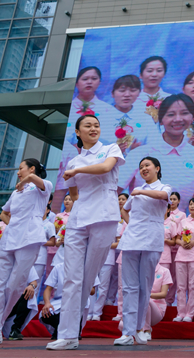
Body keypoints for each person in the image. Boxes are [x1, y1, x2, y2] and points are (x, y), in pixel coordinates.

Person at [46, 115, 125, 351]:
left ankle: (74, 329)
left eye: (96, 125)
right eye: (87, 126)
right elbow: (74, 192)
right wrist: (76, 173)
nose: (93, 128)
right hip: (79, 218)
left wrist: (79, 170)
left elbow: (105, 168)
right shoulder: (72, 162)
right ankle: (67, 335)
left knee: (88, 277)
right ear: (78, 133)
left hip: (104, 215)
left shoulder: (110, 148)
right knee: (72, 277)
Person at [0, 158, 52, 345]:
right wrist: (13, 223)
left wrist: (25, 180)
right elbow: (4, 212)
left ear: (31, 169)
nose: (17, 172)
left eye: (20, 168)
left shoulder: (44, 186)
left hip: (29, 239)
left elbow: (36, 181)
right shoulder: (16, 192)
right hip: (9, 240)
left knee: (14, 286)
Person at [120, 94, 194, 211]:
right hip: (141, 225)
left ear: (192, 118)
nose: (178, 119)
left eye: (184, 113)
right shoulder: (140, 154)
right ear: (161, 120)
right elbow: (113, 190)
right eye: (171, 114)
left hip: (179, 225)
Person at [114, 157, 171, 346]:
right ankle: (127, 332)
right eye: (140, 167)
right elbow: (125, 210)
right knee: (129, 287)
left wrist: (139, 191)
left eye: (147, 165)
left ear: (157, 168)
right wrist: (133, 224)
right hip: (131, 239)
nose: (143, 169)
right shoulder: (136, 191)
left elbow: (163, 197)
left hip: (152, 240)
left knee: (144, 287)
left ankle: (140, 328)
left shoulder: (165, 187)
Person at [39, 263, 99, 342]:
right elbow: (48, 288)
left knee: (74, 308)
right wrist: (47, 303)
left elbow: (92, 291)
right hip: (60, 300)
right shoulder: (58, 267)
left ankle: (72, 332)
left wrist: (79, 285)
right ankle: (59, 329)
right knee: (45, 314)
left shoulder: (88, 267)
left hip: (79, 299)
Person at [100, 75, 157, 154]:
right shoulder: (101, 119)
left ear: (139, 93)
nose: (127, 94)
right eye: (122, 90)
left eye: (133, 90)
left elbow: (154, 145)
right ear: (112, 94)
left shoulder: (145, 119)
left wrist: (137, 152)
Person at [0, 260, 39, 340]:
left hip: (13, 303)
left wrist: (31, 286)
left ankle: (15, 329)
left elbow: (33, 281)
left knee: (29, 293)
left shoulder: (27, 263)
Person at [138, 263, 172, 341]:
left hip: (157, 309)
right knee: (121, 325)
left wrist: (147, 295)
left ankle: (147, 330)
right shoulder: (140, 269)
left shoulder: (164, 271)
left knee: (147, 300)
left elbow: (163, 294)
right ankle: (139, 330)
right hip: (141, 306)